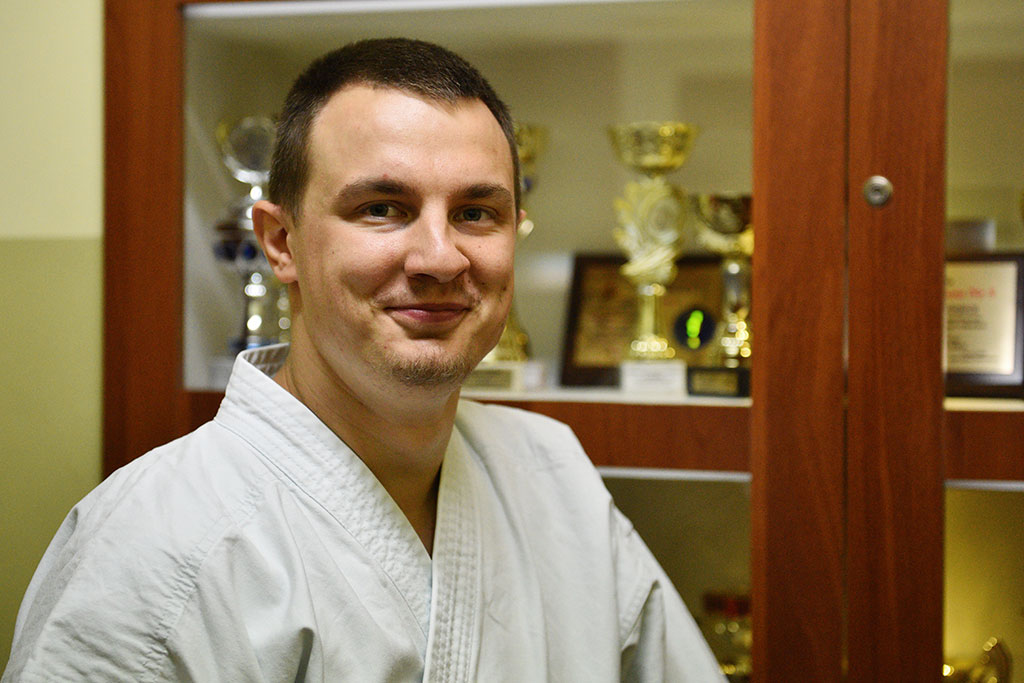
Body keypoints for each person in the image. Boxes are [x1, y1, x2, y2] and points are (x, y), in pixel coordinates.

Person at [4, 38, 724, 682]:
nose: (440, 257)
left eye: (477, 212)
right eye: (382, 207)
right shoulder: (157, 548)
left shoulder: (550, 476)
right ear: (280, 242)